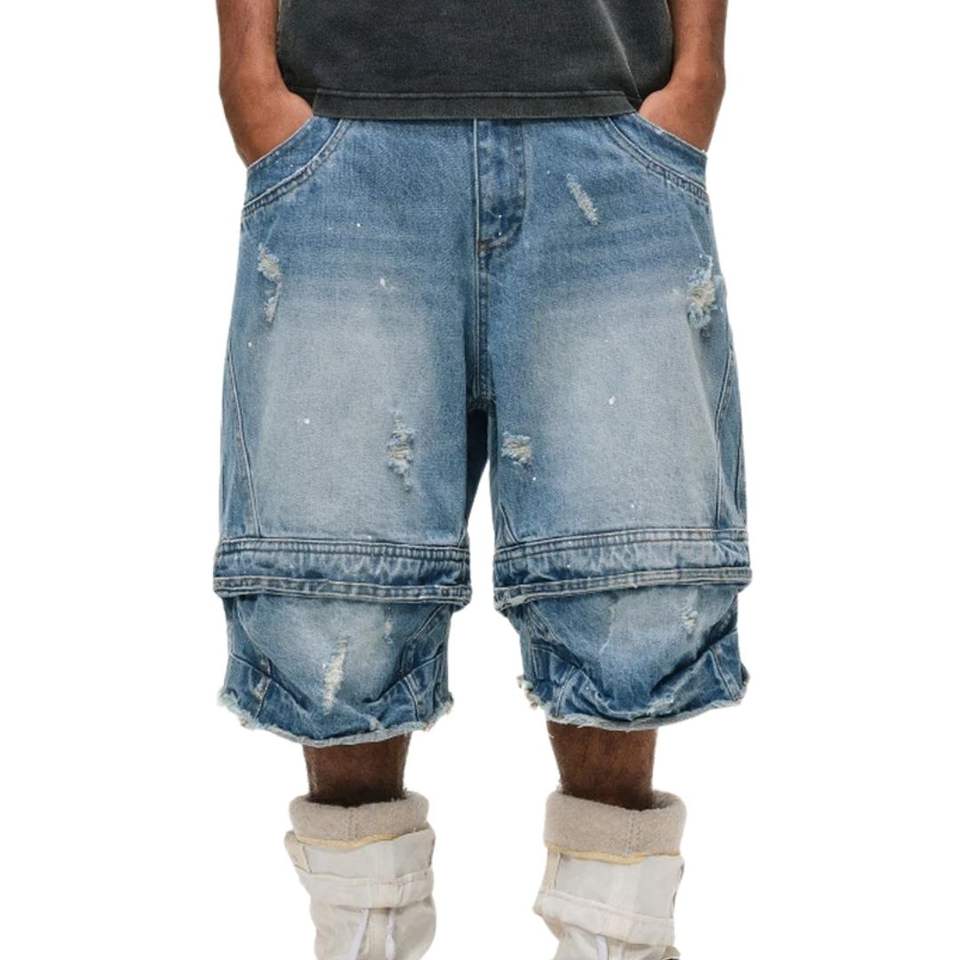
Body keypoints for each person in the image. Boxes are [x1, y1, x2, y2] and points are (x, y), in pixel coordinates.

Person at [213, 1, 750, 956]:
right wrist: (249, 71)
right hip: (343, 130)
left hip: (610, 126)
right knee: (336, 597)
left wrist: (698, 70)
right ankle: (363, 936)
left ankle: (617, 941)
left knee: (626, 592)